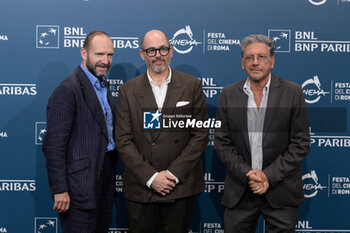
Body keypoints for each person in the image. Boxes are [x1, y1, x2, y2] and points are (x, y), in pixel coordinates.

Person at [214, 34, 310, 233]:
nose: (255, 62)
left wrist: (267, 176)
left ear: (272, 61)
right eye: (249, 58)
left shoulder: (293, 92)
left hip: (281, 191)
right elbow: (222, 143)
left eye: (261, 57)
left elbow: (300, 143)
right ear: (242, 63)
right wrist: (248, 174)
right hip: (241, 191)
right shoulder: (228, 94)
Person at [115, 29, 208, 233]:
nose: (158, 54)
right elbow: (123, 140)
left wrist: (173, 174)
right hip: (141, 186)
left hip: (180, 186)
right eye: (151, 50)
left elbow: (200, 135)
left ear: (171, 51)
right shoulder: (127, 90)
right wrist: (151, 177)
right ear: (142, 54)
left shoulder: (192, 85)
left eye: (163, 49)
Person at [42, 31, 118, 233]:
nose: (105, 61)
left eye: (109, 55)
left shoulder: (103, 86)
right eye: (99, 54)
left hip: (103, 181)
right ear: (84, 53)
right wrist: (60, 189)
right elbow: (53, 145)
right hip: (78, 189)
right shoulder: (68, 89)